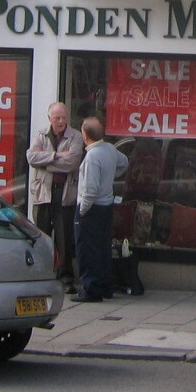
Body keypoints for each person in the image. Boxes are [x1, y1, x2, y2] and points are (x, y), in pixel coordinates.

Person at [26, 101, 84, 291]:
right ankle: (42, 274)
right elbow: (31, 158)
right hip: (43, 192)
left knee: (64, 237)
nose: (61, 121)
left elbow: (72, 162)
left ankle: (66, 278)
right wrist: (57, 156)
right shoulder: (41, 135)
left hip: (64, 192)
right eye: (57, 118)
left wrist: (45, 161)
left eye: (64, 117)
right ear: (49, 118)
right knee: (41, 236)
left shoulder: (75, 136)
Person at [73, 117, 128, 303]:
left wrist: (82, 211)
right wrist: (112, 174)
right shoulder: (110, 149)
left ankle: (91, 290)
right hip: (107, 206)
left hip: (92, 208)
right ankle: (106, 287)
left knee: (87, 250)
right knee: (103, 248)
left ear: (85, 135)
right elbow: (124, 162)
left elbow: (90, 189)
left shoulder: (92, 156)